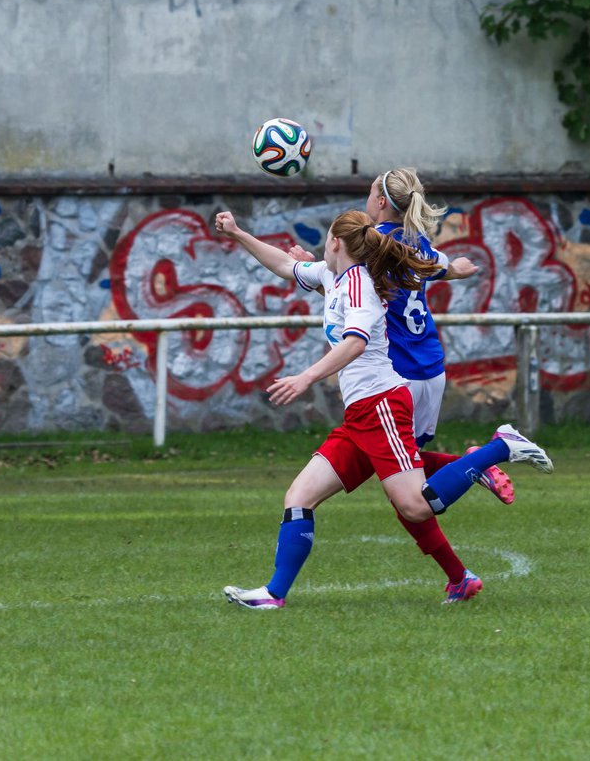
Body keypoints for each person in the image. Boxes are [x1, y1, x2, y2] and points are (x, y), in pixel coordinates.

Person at [213, 209, 553, 610]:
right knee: (299, 495)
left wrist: (305, 378)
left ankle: (498, 447)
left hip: (382, 405)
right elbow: (286, 266)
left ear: (336, 243)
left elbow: (356, 342)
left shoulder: (360, 287)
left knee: (414, 505)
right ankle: (273, 594)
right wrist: (238, 234)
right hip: (360, 415)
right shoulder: (332, 275)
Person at [289, 168, 509, 602]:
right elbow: (434, 268)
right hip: (431, 368)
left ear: (380, 202)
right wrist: (457, 271)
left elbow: (354, 291)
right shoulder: (414, 242)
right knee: (401, 470)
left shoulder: (372, 244)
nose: (367, 196)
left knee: (404, 486)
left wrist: (319, 266)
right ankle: (459, 569)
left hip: (394, 373)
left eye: (371, 190)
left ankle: (479, 459)